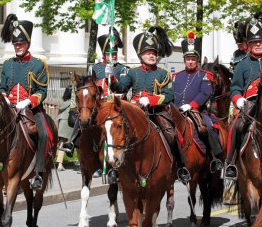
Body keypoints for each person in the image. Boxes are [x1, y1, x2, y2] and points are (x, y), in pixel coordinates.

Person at [105, 26, 187, 181]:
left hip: (156, 113)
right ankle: (115, 169)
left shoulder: (163, 73)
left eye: (154, 53)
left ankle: (181, 167)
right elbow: (121, 88)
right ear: (140, 55)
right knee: (116, 133)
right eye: (148, 53)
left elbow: (169, 96)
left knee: (171, 133)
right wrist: (112, 77)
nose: (152, 55)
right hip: (134, 111)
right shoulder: (133, 72)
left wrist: (151, 100)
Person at [61, 28, 128, 180]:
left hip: (115, 105)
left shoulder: (123, 69)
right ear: (104, 55)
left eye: (115, 54)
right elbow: (90, 88)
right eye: (110, 54)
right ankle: (72, 142)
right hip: (100, 105)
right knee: (84, 117)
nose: (113, 56)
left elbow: (124, 87)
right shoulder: (96, 68)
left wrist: (114, 81)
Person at [0, 13, 50, 190]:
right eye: (15, 44)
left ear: (27, 44)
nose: (18, 47)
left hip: (31, 109)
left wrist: (27, 102)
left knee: (43, 134)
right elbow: (3, 87)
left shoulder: (38, 64)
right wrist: (4, 96)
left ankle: (39, 173)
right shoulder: (7, 64)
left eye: (20, 44)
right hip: (9, 108)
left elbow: (42, 91)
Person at [172, 32, 223, 173]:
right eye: (188, 58)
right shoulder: (176, 77)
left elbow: (205, 93)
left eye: (193, 59)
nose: (190, 61)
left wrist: (191, 105)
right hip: (177, 112)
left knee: (209, 127)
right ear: (184, 60)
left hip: (196, 111)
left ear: (197, 60)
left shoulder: (205, 75)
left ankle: (215, 158)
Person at [224, 15, 262, 179]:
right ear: (249, 44)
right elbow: (235, 89)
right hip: (250, 105)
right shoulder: (242, 65)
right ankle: (231, 163)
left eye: (260, 41)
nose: (258, 44)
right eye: (254, 42)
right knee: (235, 127)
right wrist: (238, 99)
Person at [56, 86, 75, 172]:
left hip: (61, 122)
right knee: (70, 142)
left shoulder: (62, 101)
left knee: (61, 143)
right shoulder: (72, 102)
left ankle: (59, 163)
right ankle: (60, 164)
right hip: (68, 123)